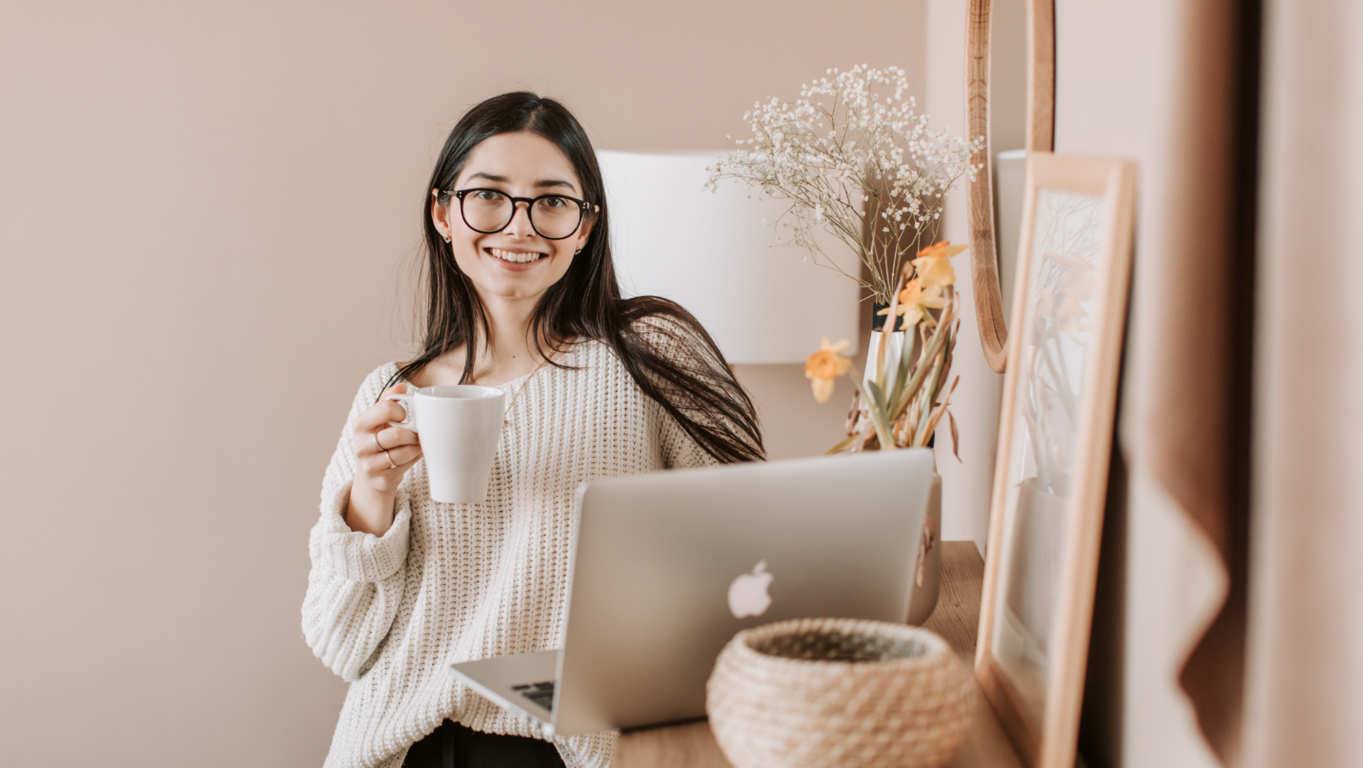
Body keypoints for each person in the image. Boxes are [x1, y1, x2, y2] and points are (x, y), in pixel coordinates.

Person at [301, 92, 765, 768]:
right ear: (442, 213)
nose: (519, 228)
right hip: (415, 744)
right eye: (488, 196)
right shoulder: (390, 394)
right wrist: (371, 496)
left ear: (584, 226)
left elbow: (754, 552)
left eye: (551, 201)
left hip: (584, 747)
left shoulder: (649, 352)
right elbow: (342, 647)